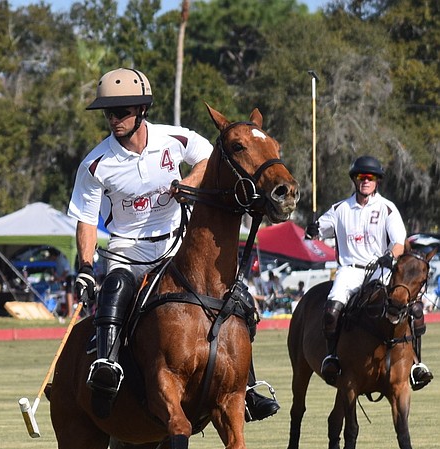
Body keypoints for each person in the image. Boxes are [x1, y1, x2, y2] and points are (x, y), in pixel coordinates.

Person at [68, 67, 280, 420]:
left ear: (142, 111)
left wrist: (189, 183)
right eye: (108, 113)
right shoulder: (95, 164)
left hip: (176, 245)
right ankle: (107, 368)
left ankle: (246, 388)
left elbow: (209, 158)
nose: (113, 119)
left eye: (121, 112)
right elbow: (86, 219)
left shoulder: (174, 138)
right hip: (128, 250)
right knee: (115, 290)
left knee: (236, 298)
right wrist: (87, 267)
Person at [305, 155, 432, 389]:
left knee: (411, 309)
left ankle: (415, 363)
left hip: (381, 270)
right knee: (332, 310)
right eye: (361, 177)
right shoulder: (340, 209)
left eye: (370, 177)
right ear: (355, 179)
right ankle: (332, 357)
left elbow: (399, 242)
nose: (366, 181)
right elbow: (318, 230)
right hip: (349, 270)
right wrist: (313, 228)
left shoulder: (387, 208)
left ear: (377, 181)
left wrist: (390, 256)